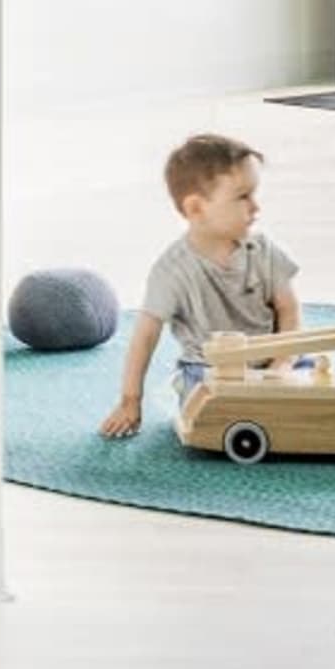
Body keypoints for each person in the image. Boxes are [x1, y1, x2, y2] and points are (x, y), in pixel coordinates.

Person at [97, 132, 301, 440]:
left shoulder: (262, 250)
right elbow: (145, 335)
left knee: (319, 391)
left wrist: (281, 362)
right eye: (243, 196)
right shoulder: (173, 270)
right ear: (196, 209)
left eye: (254, 194)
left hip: (272, 361)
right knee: (211, 420)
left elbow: (289, 310)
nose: (255, 207)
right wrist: (130, 401)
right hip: (208, 370)